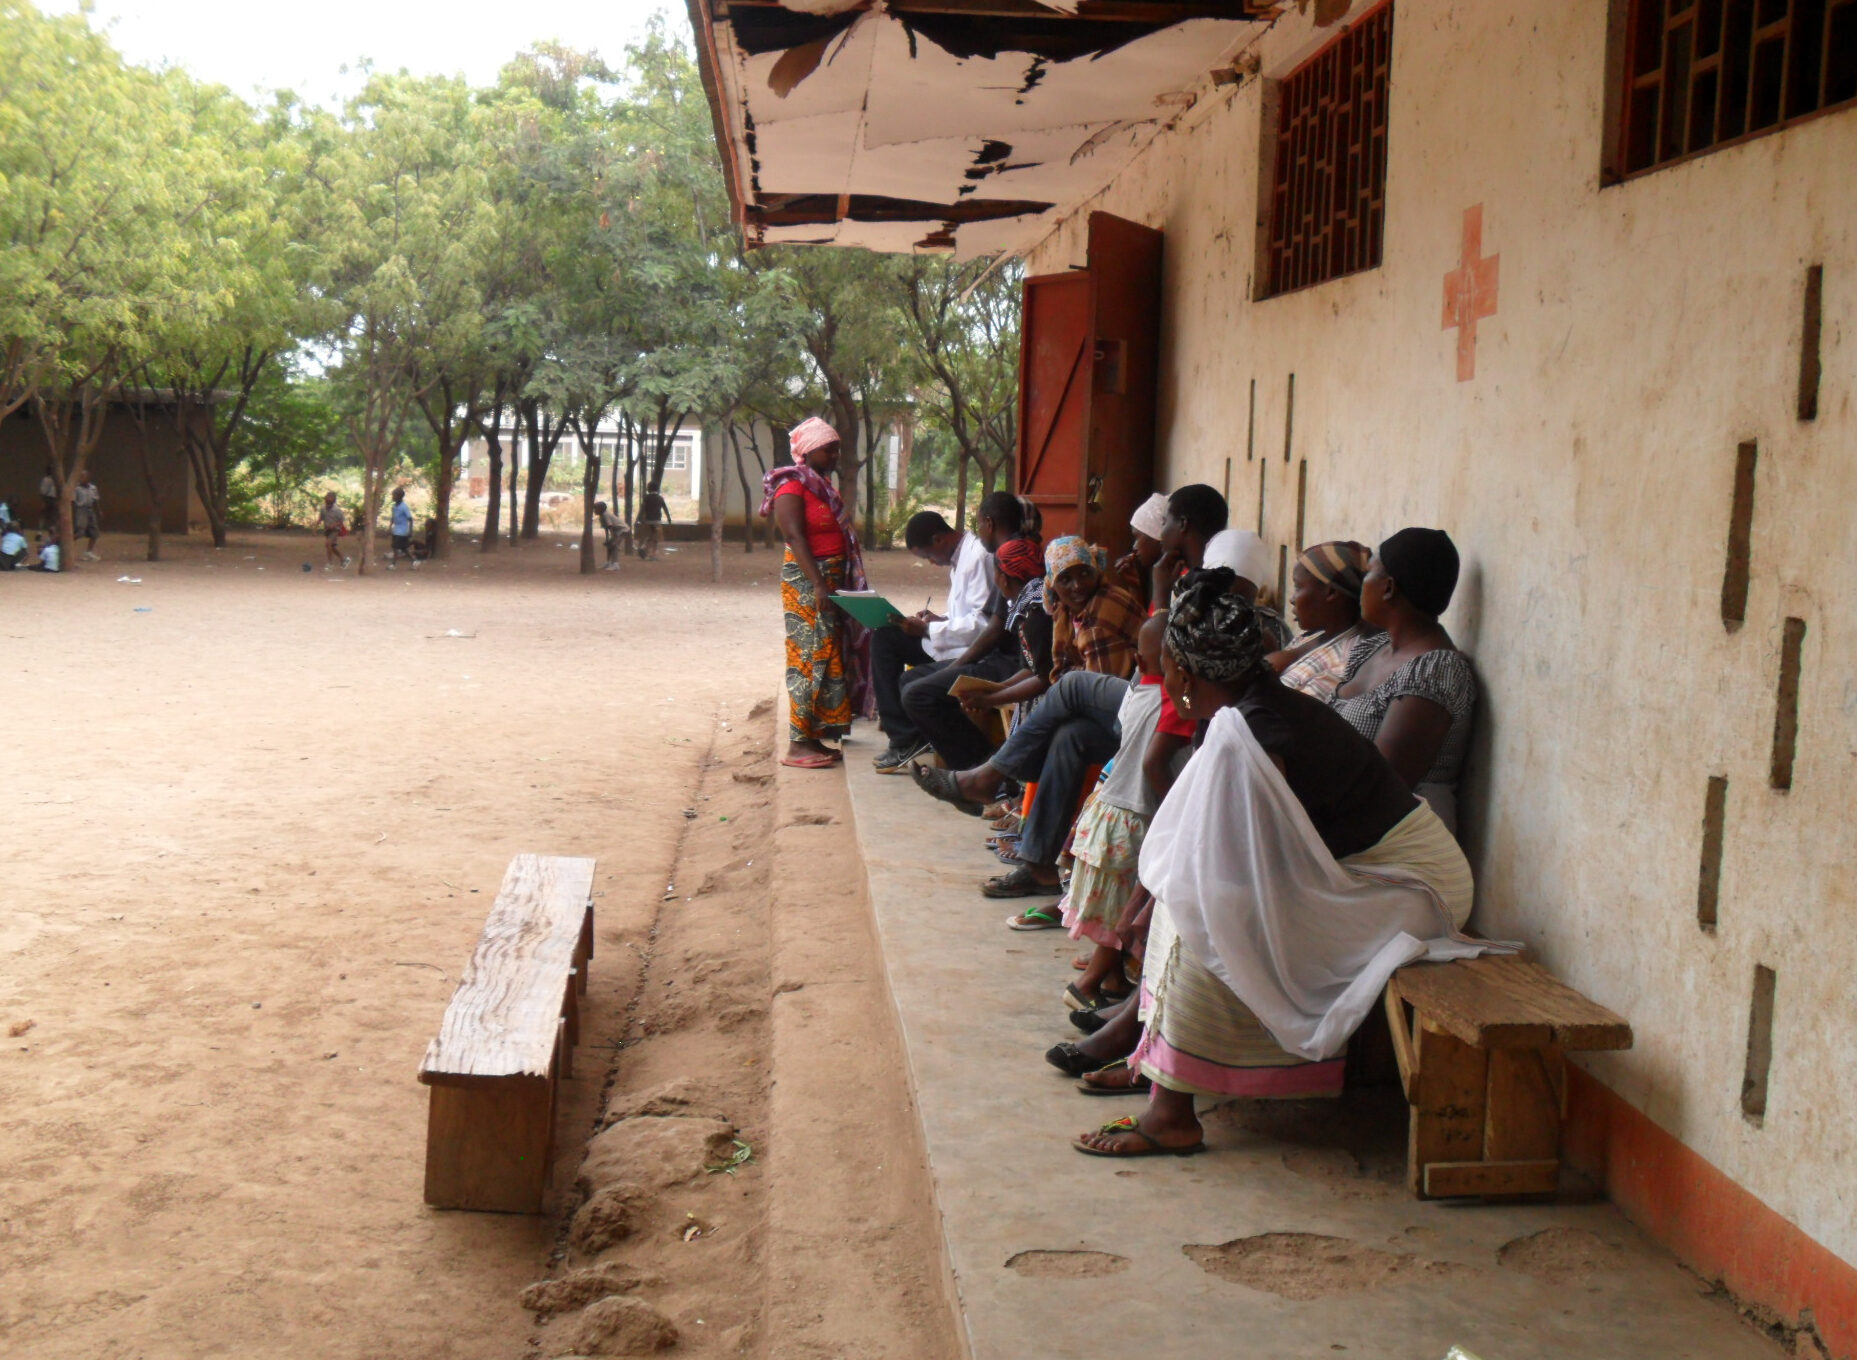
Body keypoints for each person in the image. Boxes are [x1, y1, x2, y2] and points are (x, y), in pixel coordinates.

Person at [1072, 574, 1477, 1157]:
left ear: (1185, 674)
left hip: (1409, 883)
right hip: (1358, 867)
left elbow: (1251, 860)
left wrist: (1184, 901)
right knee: (1188, 907)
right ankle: (1155, 1064)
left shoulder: (1258, 733)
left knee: (1204, 920)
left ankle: (1171, 1116)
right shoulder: (1241, 704)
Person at [910, 536, 1145, 899]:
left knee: (1072, 692)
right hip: (1110, 716)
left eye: (1084, 574)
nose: (1077, 585)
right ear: (1052, 581)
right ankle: (1039, 866)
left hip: (1137, 716)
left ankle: (988, 777)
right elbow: (1054, 673)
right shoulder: (1063, 609)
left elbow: (1096, 684)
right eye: (1065, 579)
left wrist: (996, 698)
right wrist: (992, 696)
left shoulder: (1104, 604)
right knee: (1069, 737)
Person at [1009, 613, 1168, 949]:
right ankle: (1099, 957)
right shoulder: (1166, 703)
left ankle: (994, 775)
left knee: (1112, 884)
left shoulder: (1147, 696)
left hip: (1115, 804)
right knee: (1071, 734)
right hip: (1129, 803)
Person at [1328, 527, 1477, 833]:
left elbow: (1384, 787)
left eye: (1369, 573)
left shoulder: (1436, 671)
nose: (1362, 585)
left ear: (1388, 588)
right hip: (1346, 827)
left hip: (1400, 849)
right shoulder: (1372, 648)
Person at [895, 493, 1034, 771]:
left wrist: (956, 666)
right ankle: (951, 757)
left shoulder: (1007, 558)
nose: (976, 531)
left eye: (979, 524)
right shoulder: (1016, 552)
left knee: (917, 695)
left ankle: (982, 771)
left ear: (989, 523)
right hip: (997, 655)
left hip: (1007, 662)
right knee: (911, 682)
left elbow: (992, 629)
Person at [763, 417, 872, 770]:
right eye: (830, 450)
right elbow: (794, 538)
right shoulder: (791, 487)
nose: (836, 456)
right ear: (809, 452)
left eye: (837, 449)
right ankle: (798, 744)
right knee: (808, 658)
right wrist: (820, 585)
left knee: (827, 656)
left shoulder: (820, 486)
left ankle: (815, 734)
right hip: (809, 583)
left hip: (829, 580)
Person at [868, 509, 993, 772]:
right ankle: (905, 736)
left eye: (927, 556)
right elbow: (965, 613)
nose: (931, 563)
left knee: (912, 682)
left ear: (939, 539)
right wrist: (939, 619)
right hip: (948, 640)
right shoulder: (959, 558)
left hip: (969, 651)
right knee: (885, 638)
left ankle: (911, 739)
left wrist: (927, 631)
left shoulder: (978, 557)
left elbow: (984, 624)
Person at [1269, 541, 1373, 698]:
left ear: (1331, 592)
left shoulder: (1345, 662)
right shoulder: (1309, 638)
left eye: (1298, 587)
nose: (1292, 599)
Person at [1115, 492, 1170, 606]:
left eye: (1137, 537)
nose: (1134, 547)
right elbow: (1144, 623)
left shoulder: (1178, 582)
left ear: (1156, 535)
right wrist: (1134, 586)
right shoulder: (1165, 577)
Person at [70, 474, 101, 561]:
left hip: (90, 510)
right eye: (81, 477)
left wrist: (98, 511)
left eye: (83, 477)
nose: (82, 479)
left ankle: (89, 552)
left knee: (94, 532)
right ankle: (66, 547)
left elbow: (96, 500)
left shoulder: (93, 488)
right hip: (81, 510)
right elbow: (73, 502)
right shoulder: (76, 488)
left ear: (88, 478)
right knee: (80, 531)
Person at [636, 488, 671, 560]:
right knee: (656, 539)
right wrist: (668, 518)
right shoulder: (660, 498)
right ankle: (653, 554)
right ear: (658, 490)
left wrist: (638, 518)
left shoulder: (646, 498)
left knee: (650, 535)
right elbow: (665, 508)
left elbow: (642, 508)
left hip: (648, 521)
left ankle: (645, 548)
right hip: (657, 521)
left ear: (648, 489)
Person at [319, 492, 349, 569]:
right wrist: (315, 527)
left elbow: (341, 521)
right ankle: (343, 559)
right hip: (327, 530)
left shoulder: (337, 510)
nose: (327, 504)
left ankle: (330, 563)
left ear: (333, 502)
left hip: (335, 530)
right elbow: (321, 518)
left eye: (329, 502)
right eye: (326, 501)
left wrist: (334, 525)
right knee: (331, 547)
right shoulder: (323, 508)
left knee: (328, 544)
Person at [387, 487, 415, 569]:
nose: (392, 497)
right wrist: (389, 527)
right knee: (404, 548)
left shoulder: (404, 507)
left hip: (402, 531)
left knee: (395, 547)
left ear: (399, 496)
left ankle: (393, 564)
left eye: (394, 495)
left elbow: (410, 519)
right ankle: (414, 561)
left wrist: (410, 531)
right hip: (396, 530)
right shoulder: (394, 506)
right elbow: (393, 518)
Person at [595, 500, 628, 570]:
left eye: (596, 508)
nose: (594, 510)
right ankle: (608, 562)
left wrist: (613, 538)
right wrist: (607, 540)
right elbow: (606, 528)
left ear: (601, 509)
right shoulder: (601, 516)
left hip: (623, 530)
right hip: (616, 531)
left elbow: (610, 526)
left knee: (614, 545)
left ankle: (616, 564)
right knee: (609, 546)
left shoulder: (605, 515)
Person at [38, 467, 57, 531]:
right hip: (48, 499)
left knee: (52, 516)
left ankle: (50, 531)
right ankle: (40, 531)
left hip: (53, 499)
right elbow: (43, 492)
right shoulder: (47, 480)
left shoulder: (55, 480)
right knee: (45, 515)